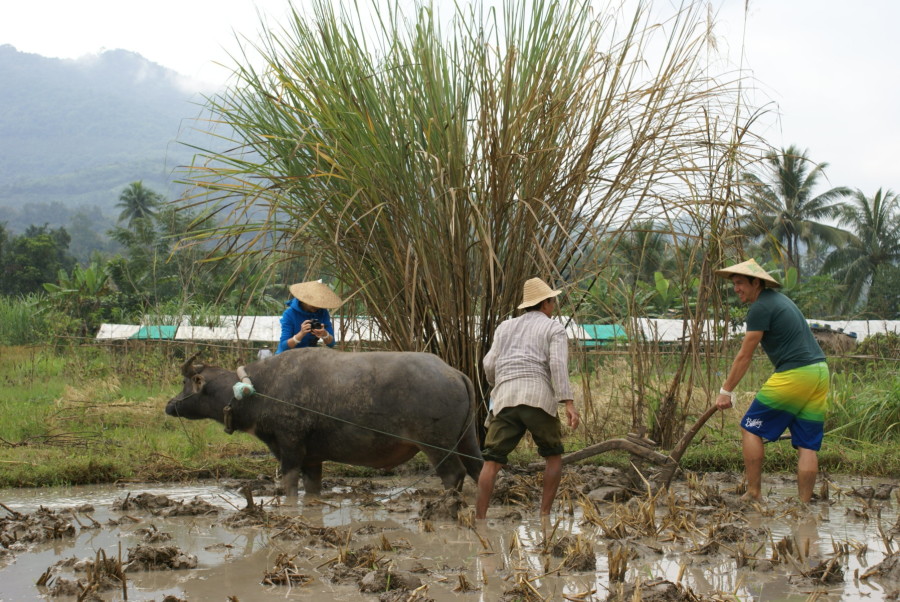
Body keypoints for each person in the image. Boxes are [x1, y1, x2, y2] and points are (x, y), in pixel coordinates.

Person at [714, 259, 829, 503]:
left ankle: (754, 492)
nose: (736, 289)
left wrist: (726, 391)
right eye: (734, 284)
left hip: (796, 373)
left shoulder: (760, 307)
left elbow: (745, 354)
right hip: (819, 371)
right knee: (807, 444)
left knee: (750, 427)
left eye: (740, 283)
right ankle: (804, 506)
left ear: (756, 283)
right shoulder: (780, 301)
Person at [475, 277, 580, 519]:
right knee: (553, 455)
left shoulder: (505, 327)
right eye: (552, 301)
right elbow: (556, 364)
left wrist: (497, 385)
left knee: (491, 461)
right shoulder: (553, 328)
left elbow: (489, 363)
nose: (553, 306)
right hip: (538, 398)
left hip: (506, 399)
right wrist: (569, 403)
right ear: (545, 303)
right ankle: (544, 515)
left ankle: (479, 518)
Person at [275, 280, 343, 354]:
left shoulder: (323, 312)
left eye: (318, 304)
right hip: (288, 356)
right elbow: (284, 346)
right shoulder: (289, 314)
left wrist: (324, 334)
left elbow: (331, 343)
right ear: (304, 300)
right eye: (313, 303)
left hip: (309, 356)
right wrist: (301, 334)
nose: (316, 306)